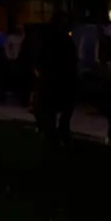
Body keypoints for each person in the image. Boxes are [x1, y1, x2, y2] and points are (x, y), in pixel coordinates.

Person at [33, 15, 77, 147]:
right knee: (57, 111)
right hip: (56, 81)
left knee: (53, 112)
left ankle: (54, 135)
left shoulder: (50, 42)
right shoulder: (61, 42)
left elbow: (38, 62)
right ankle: (56, 135)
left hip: (54, 81)